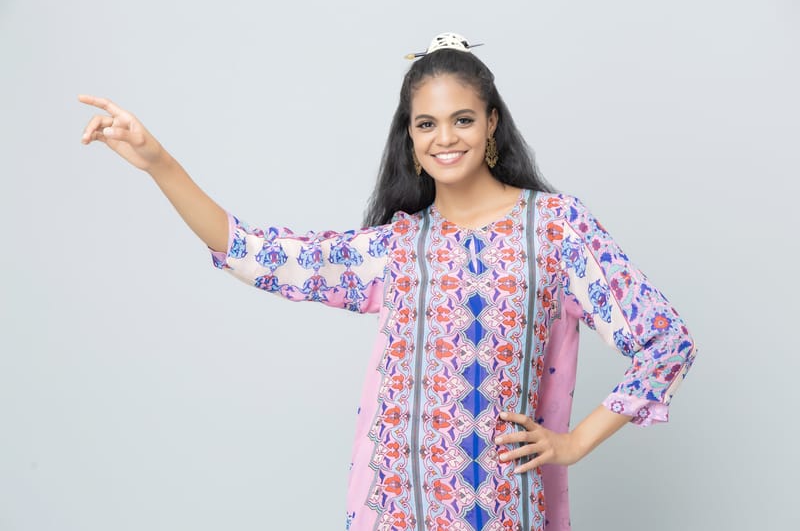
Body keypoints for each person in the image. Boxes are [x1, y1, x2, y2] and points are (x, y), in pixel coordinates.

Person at [79, 33, 695, 531]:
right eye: (426, 124)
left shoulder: (556, 229)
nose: (444, 138)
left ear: (492, 124)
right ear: (409, 135)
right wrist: (159, 164)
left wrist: (574, 443)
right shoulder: (396, 249)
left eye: (462, 119)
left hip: (504, 507)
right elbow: (255, 254)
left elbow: (666, 341)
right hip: (399, 510)